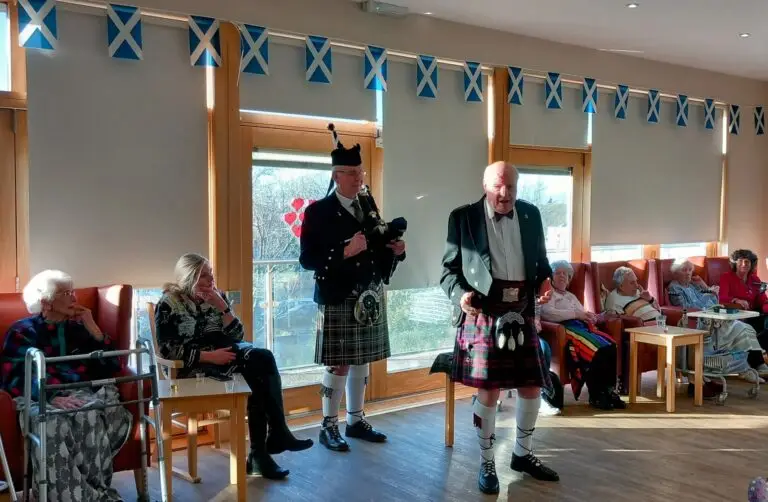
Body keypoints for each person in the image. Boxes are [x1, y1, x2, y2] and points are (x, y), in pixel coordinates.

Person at [441, 161, 558, 495]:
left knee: (532, 385)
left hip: (521, 308)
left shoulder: (531, 214)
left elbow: (541, 261)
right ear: (485, 184)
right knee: (488, 391)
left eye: (511, 187)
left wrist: (545, 280)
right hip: (483, 310)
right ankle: (487, 459)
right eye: (497, 186)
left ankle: (522, 453)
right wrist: (459, 296)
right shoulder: (462, 218)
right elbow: (448, 271)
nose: (504, 194)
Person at [154, 253, 313, 480]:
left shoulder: (218, 297)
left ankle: (273, 438)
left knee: (263, 358)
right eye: (204, 277)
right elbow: (168, 350)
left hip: (226, 355)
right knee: (256, 376)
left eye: (211, 275)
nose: (211, 281)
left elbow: (239, 336)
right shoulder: (169, 304)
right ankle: (267, 447)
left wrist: (223, 308)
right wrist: (210, 356)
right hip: (192, 368)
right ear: (188, 279)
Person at [299, 124, 406, 452]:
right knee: (339, 362)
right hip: (338, 293)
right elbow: (307, 259)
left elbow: (375, 241)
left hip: (368, 292)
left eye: (360, 172)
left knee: (363, 359)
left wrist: (395, 250)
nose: (359, 178)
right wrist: (345, 251)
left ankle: (355, 420)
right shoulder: (317, 212)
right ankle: (328, 425)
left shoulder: (367, 204)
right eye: (352, 173)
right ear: (336, 176)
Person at [1, 270, 131, 501]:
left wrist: (94, 329)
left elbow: (112, 366)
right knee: (52, 424)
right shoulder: (22, 331)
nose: (74, 297)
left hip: (80, 391)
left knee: (89, 414)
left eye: (73, 291)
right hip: (35, 396)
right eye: (66, 293)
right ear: (46, 302)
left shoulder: (79, 329)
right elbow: (14, 375)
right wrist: (49, 396)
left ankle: (98, 493)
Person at [540, 260, 625, 410]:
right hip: (567, 330)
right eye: (557, 273)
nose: (561, 276)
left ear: (569, 278)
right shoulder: (549, 295)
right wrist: (576, 314)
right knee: (596, 349)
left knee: (610, 345)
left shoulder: (571, 296)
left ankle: (608, 391)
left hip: (583, 328)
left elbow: (582, 314)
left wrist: (594, 317)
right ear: (551, 277)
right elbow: (547, 314)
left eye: (565, 274)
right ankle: (597, 395)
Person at [669, 258, 768, 380]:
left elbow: (715, 298)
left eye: (690, 270)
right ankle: (750, 367)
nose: (688, 273)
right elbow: (684, 308)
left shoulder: (694, 285)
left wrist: (703, 286)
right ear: (676, 272)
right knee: (740, 328)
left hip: (714, 317)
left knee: (746, 328)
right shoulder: (675, 287)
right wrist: (708, 305)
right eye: (684, 270)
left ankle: (751, 366)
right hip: (702, 322)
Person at [719, 249, 768, 333]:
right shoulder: (726, 277)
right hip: (737, 315)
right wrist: (736, 300)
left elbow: (762, 301)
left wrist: (764, 300)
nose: (744, 264)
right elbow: (722, 298)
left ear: (751, 264)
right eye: (740, 261)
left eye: (747, 261)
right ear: (735, 263)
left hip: (754, 315)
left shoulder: (755, 279)